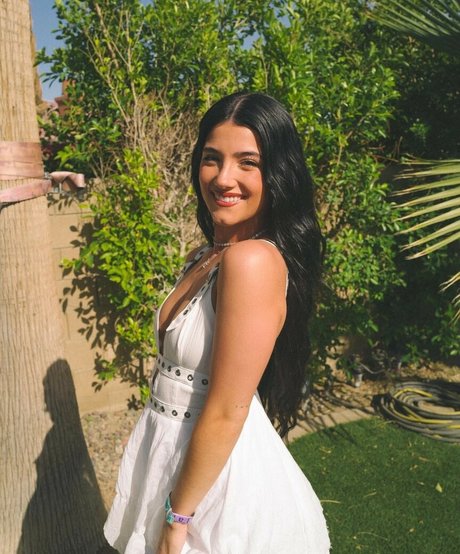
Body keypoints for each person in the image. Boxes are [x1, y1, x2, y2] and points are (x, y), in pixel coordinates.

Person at [103, 92, 330, 554]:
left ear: (277, 173)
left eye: (248, 162)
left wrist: (177, 520)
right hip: (179, 461)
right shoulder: (206, 256)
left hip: (216, 492)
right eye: (212, 158)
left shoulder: (252, 261)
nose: (224, 178)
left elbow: (228, 409)